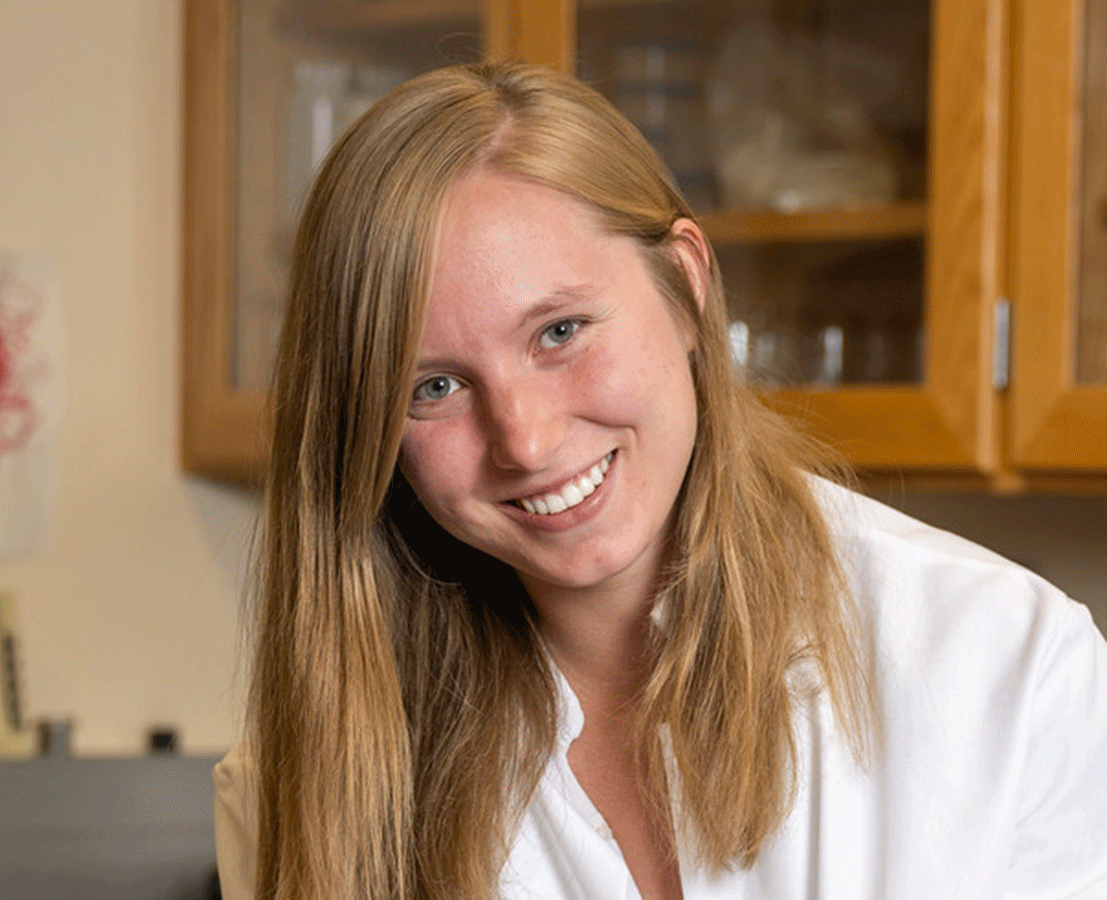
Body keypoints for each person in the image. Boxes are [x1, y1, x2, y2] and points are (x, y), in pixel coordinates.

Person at [213, 60, 1107, 900]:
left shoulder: (1009, 669)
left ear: (685, 284)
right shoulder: (301, 786)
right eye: (433, 387)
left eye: (559, 332)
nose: (524, 440)